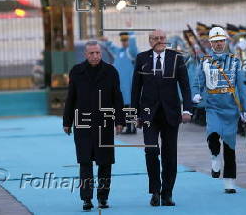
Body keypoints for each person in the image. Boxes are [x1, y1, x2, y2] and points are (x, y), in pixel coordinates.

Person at [131, 29, 193, 207]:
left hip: (171, 113)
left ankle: (167, 193)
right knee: (151, 151)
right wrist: (134, 113)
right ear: (150, 41)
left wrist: (187, 109)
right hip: (148, 114)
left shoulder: (176, 58)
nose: (159, 41)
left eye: (162, 38)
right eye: (155, 38)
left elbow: (185, 86)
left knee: (169, 154)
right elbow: (136, 88)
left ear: (166, 40)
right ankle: (155, 191)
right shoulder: (142, 58)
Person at [62, 41, 125, 211]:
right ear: (85, 54)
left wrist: (120, 121)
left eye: (98, 53)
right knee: (85, 162)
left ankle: (103, 197)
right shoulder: (76, 71)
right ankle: (87, 199)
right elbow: (71, 98)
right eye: (92, 53)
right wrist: (67, 122)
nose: (95, 56)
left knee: (105, 163)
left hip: (104, 124)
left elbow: (117, 98)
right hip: (82, 124)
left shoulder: (111, 72)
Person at [192, 26, 246, 193]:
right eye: (215, 42)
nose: (219, 44)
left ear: (225, 42)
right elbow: (197, 82)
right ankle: (215, 156)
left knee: (230, 146)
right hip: (213, 106)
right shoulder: (204, 62)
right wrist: (195, 94)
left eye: (221, 41)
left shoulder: (236, 61)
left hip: (230, 108)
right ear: (210, 43)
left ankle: (229, 181)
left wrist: (245, 109)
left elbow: (241, 87)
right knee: (213, 134)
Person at [102, 32, 138, 134]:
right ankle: (126, 126)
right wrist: (106, 41)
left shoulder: (131, 53)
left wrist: (131, 32)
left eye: (126, 40)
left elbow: (133, 47)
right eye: (122, 40)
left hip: (129, 85)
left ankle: (132, 127)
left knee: (130, 107)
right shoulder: (119, 51)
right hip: (120, 86)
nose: (124, 42)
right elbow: (111, 47)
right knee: (123, 107)